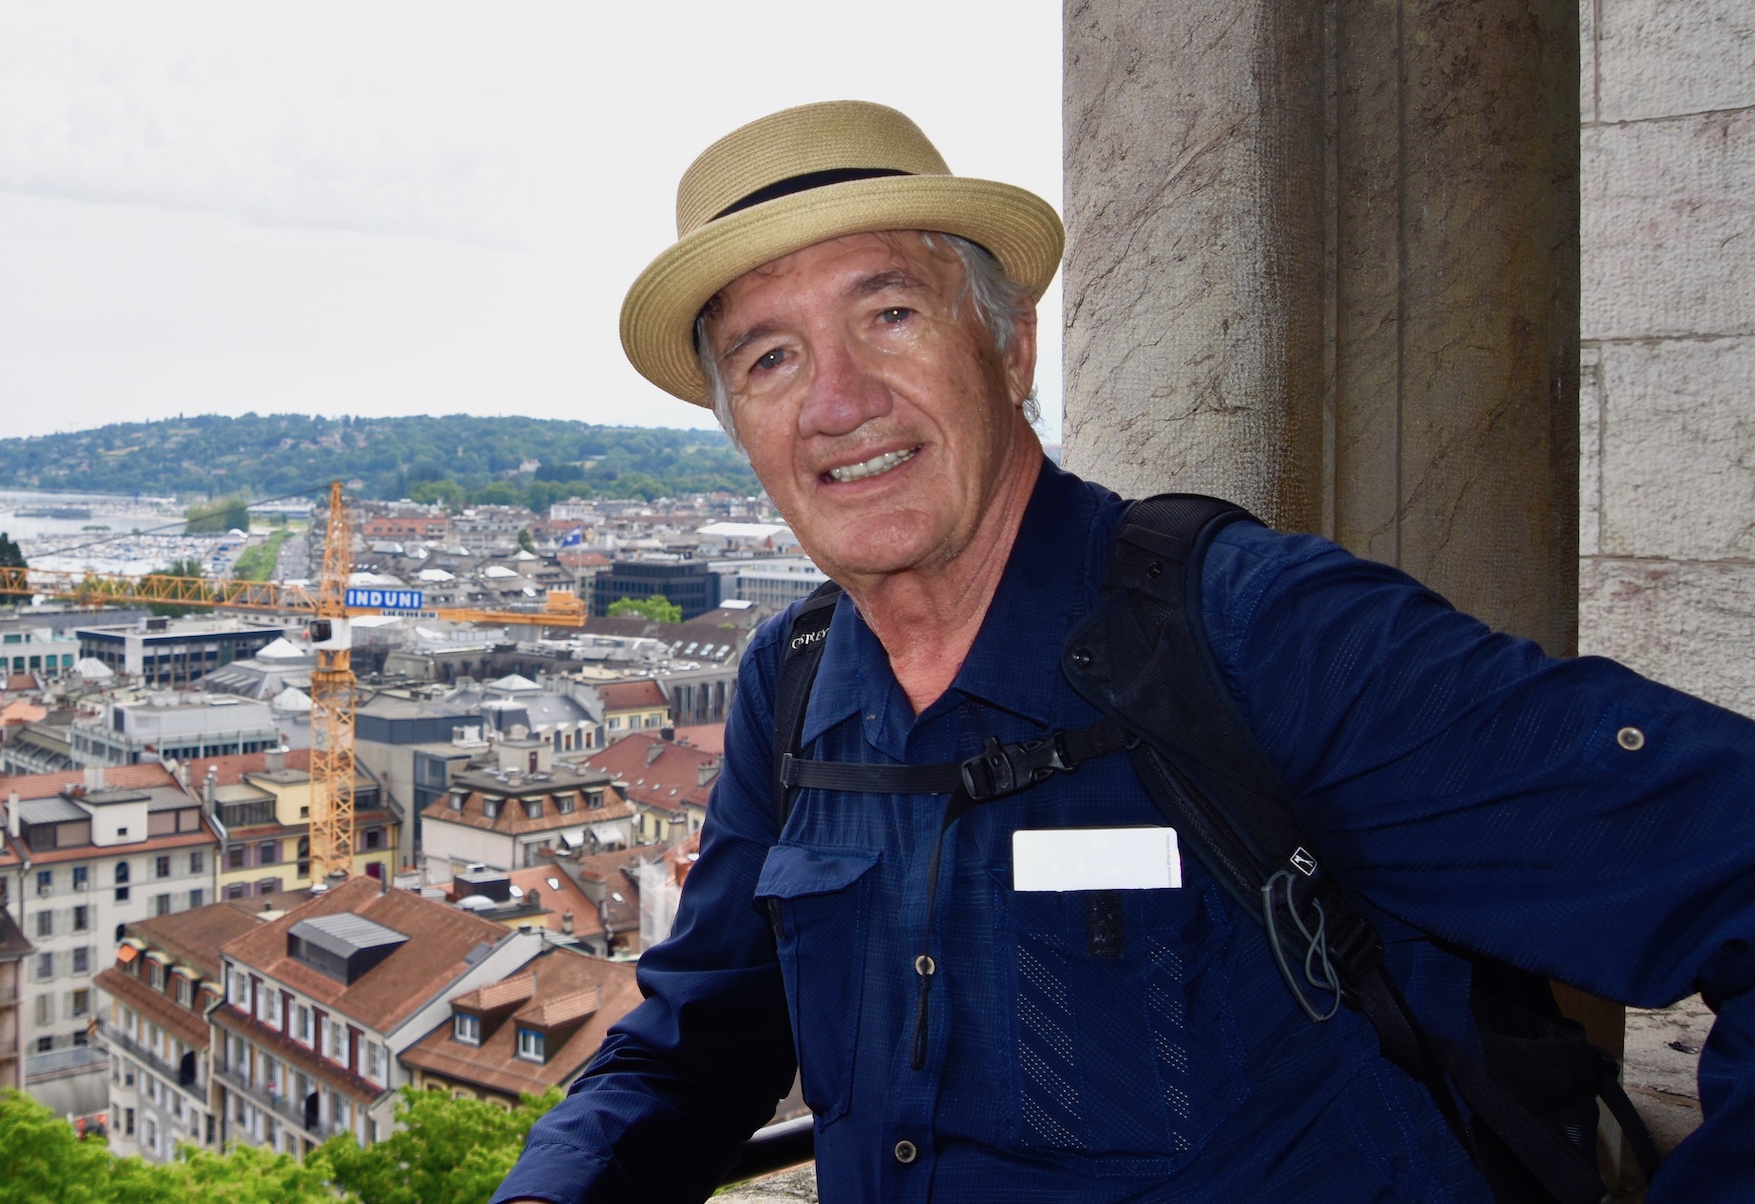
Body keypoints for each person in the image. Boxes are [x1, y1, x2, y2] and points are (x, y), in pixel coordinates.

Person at [494, 100, 1754, 1202]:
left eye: (888, 313)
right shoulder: (794, 682)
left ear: (1011, 342)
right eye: (771, 358)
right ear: (740, 426)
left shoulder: (1259, 632)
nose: (837, 400)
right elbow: (700, 1040)